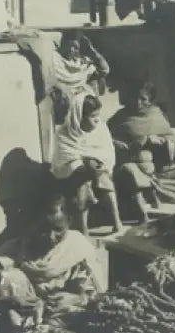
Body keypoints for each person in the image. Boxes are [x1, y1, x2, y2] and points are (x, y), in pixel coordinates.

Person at [0, 190, 104, 332]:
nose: (51, 237)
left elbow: (99, 298)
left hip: (62, 322)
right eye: (43, 230)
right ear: (31, 225)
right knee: (10, 277)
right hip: (18, 322)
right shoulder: (13, 250)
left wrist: (78, 299)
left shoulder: (78, 248)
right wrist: (7, 302)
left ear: (69, 221)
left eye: (58, 230)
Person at [107, 80, 175, 223]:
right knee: (131, 172)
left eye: (143, 99)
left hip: (158, 168)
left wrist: (162, 142)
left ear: (150, 100)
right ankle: (142, 214)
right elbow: (108, 140)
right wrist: (132, 145)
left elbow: (172, 141)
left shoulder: (157, 116)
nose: (138, 103)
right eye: (134, 98)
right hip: (131, 163)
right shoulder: (120, 117)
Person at [51, 92, 123, 234]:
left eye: (98, 115)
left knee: (103, 179)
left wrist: (98, 164)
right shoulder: (64, 133)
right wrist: (85, 164)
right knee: (84, 183)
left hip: (98, 173)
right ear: (79, 117)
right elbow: (64, 160)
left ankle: (117, 221)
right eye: (92, 116)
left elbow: (107, 153)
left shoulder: (101, 128)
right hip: (71, 177)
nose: (97, 120)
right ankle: (83, 228)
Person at [53, 31, 110, 100]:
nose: (71, 49)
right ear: (63, 44)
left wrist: (92, 51)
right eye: (68, 45)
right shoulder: (56, 58)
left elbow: (105, 71)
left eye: (75, 47)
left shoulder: (81, 63)